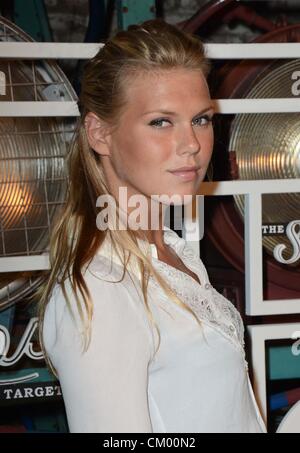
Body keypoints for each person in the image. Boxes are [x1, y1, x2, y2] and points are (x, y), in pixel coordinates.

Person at [38, 18, 267, 433]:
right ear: (99, 133)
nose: (192, 145)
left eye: (200, 119)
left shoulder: (175, 253)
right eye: (161, 122)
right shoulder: (100, 287)